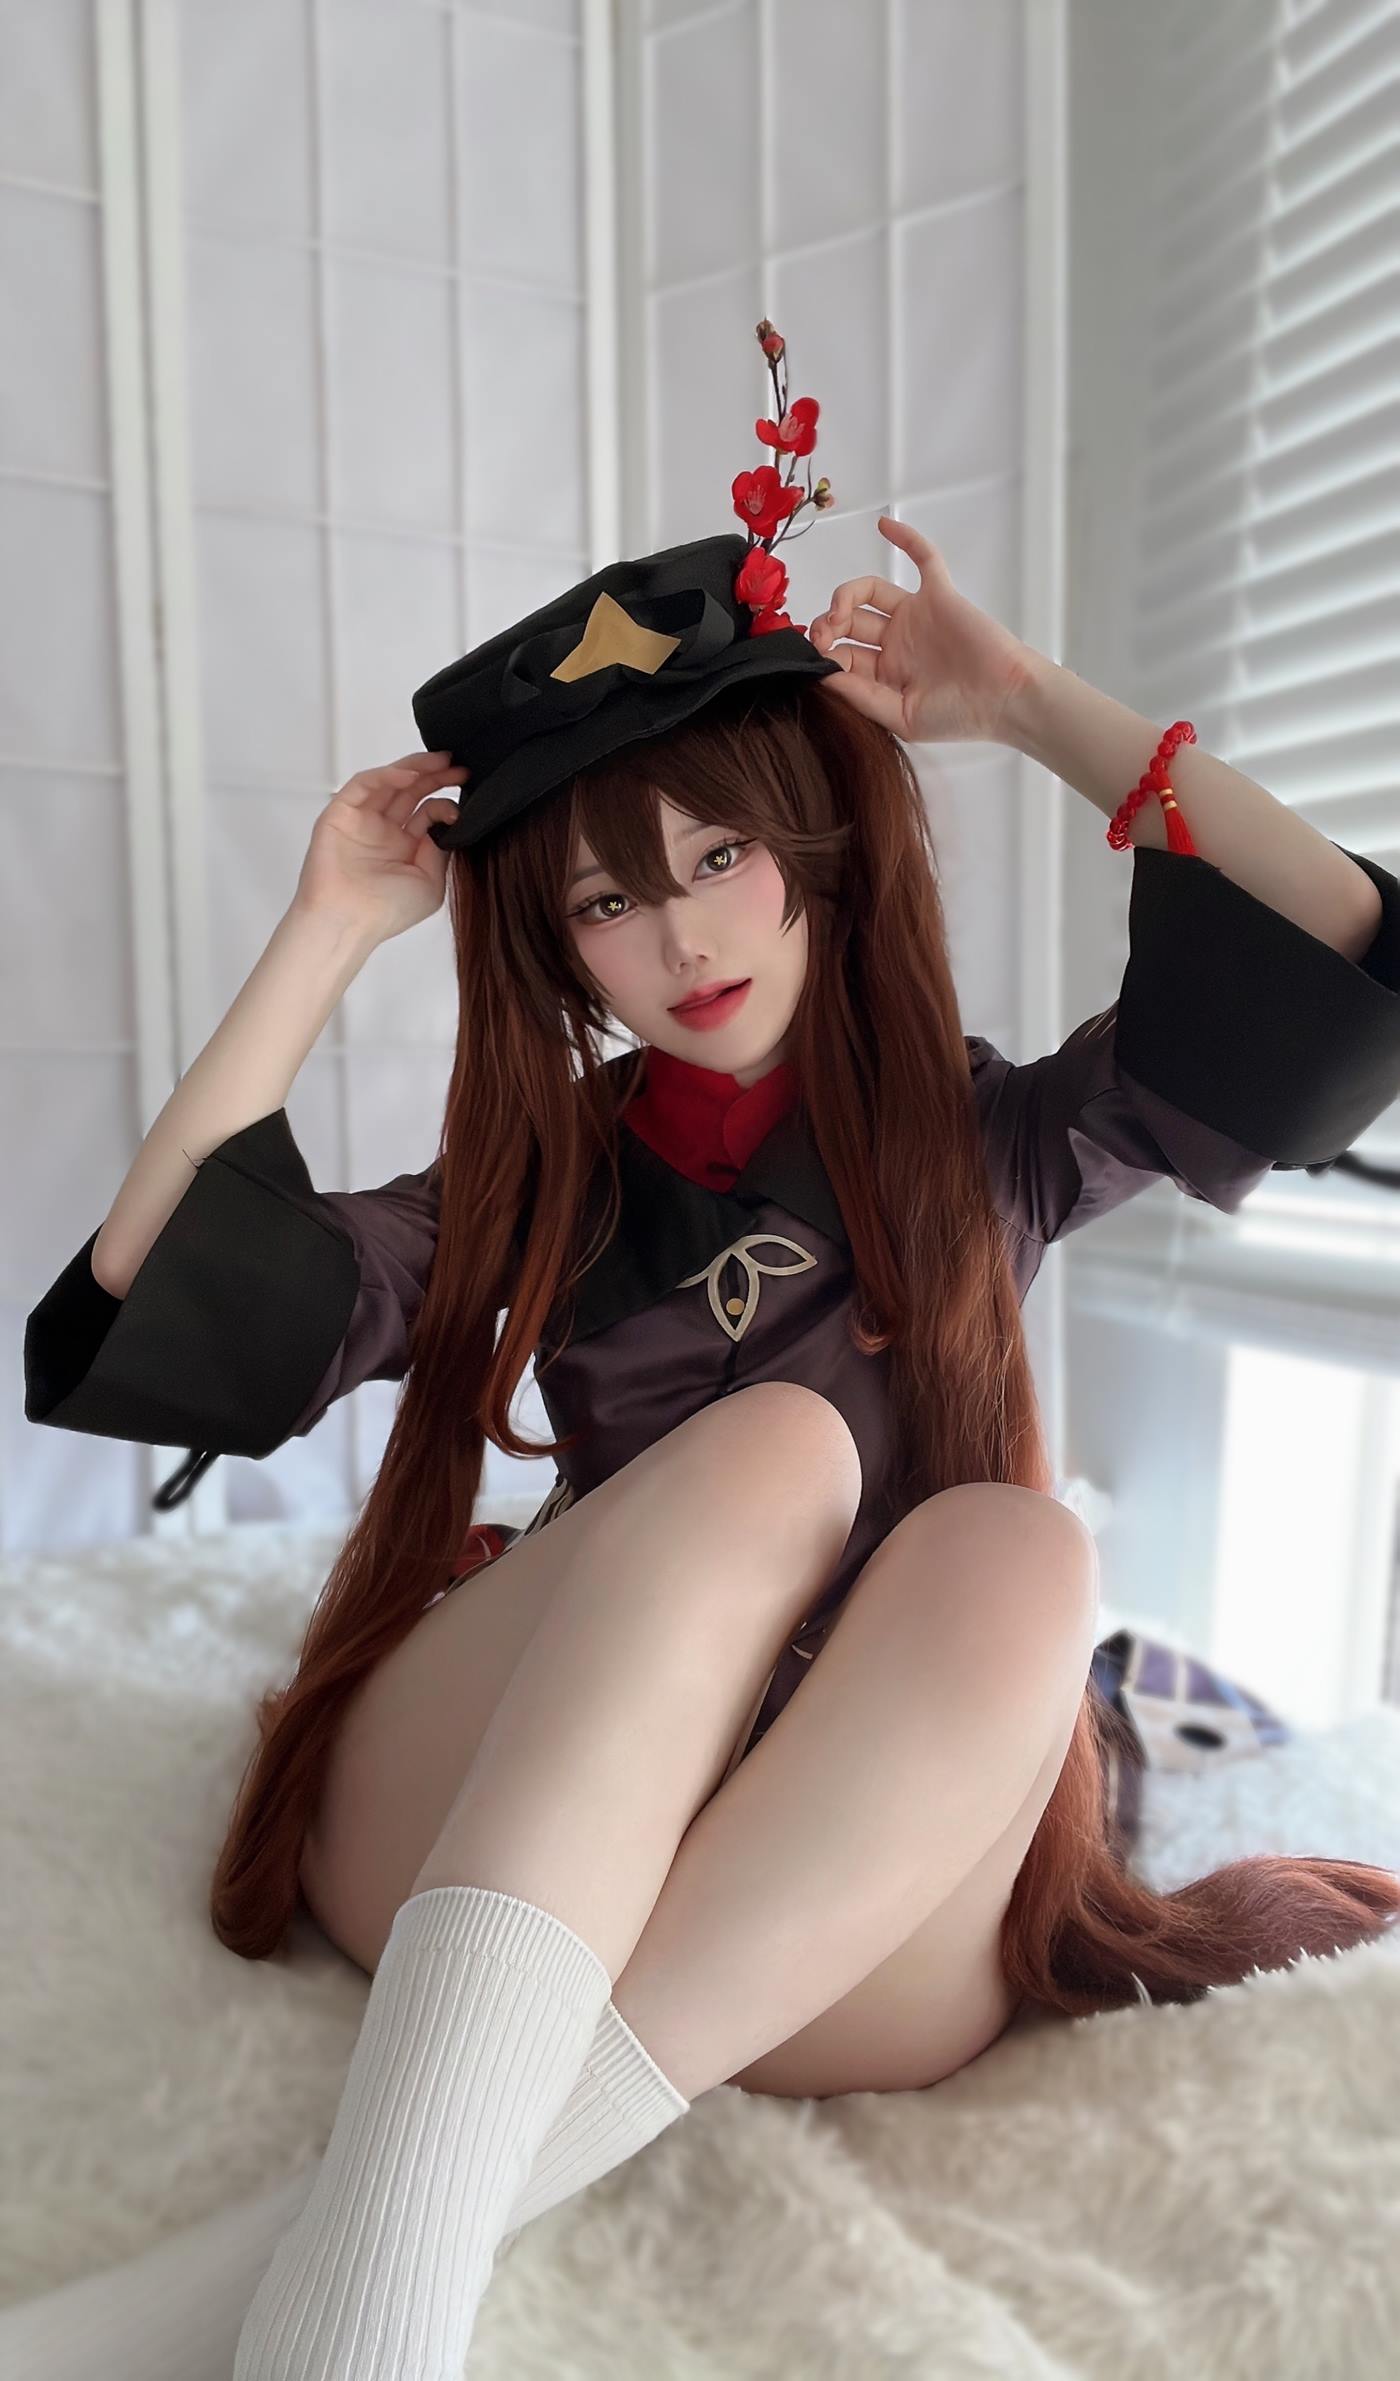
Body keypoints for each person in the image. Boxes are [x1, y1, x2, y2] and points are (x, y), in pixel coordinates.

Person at [23, 329, 1400, 2374]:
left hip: (836, 1922)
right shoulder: (540, 1180)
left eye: (720, 856)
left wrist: (1029, 704)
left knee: (1024, 1549)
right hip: (512, 1820)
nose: (681, 938)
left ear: (811, 853)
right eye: (606, 899)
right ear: (552, 945)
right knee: (772, 1457)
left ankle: (338, 2268)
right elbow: (146, 1312)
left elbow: (1344, 957)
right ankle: (375, 2301)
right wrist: (324, 924)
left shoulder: (984, 1143)